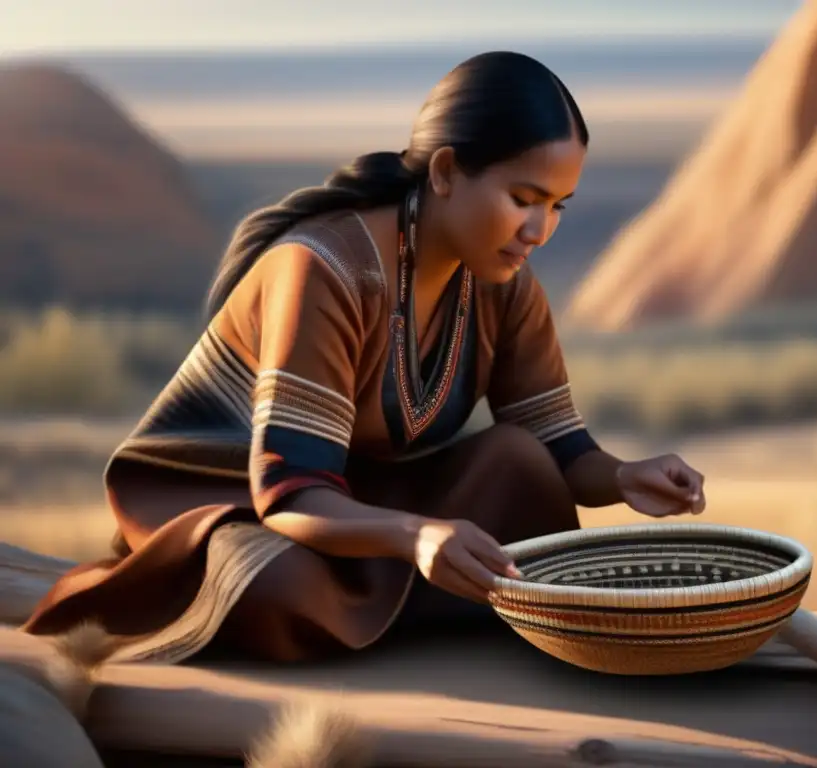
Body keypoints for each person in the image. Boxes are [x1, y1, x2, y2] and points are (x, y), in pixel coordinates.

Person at [22, 51, 707, 664]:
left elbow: (558, 455)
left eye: (558, 205)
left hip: (367, 505)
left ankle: (385, 603)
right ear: (445, 172)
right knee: (276, 584)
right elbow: (288, 495)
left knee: (520, 465)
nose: (539, 230)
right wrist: (415, 538)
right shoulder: (324, 267)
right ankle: (407, 603)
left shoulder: (504, 283)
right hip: (241, 508)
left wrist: (624, 477)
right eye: (522, 199)